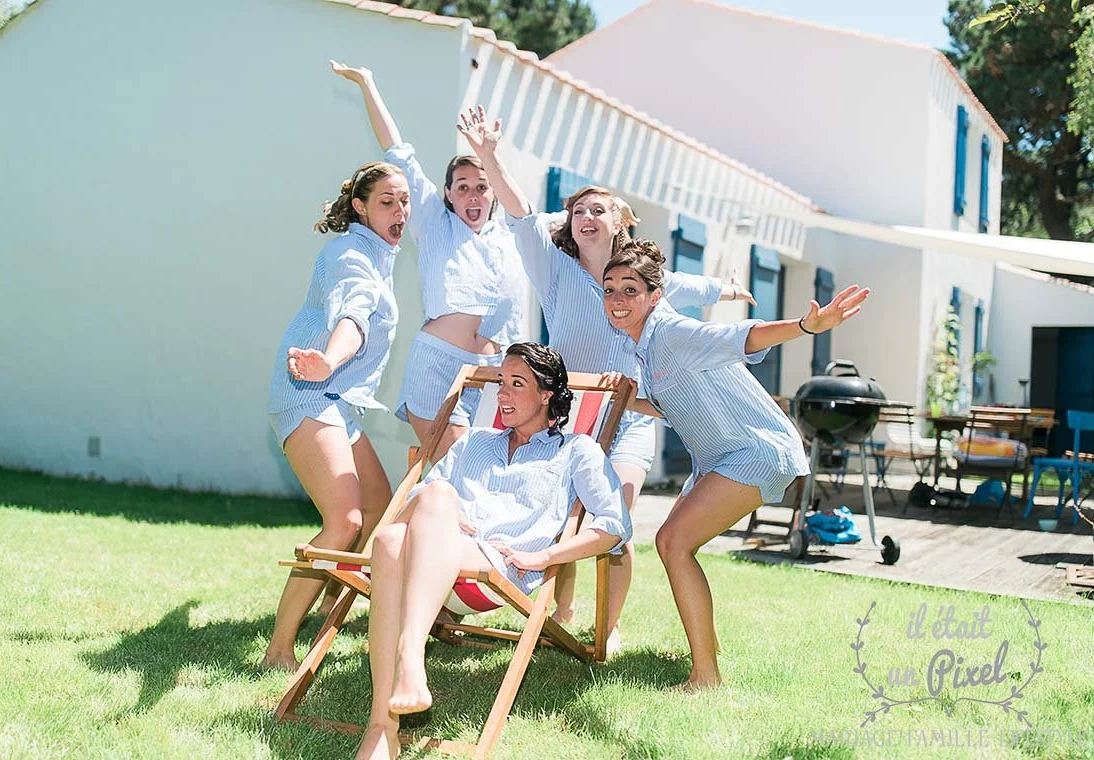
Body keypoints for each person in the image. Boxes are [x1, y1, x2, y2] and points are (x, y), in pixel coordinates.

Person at [457, 106, 755, 652]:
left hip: (632, 418)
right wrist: (490, 157)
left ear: (620, 222)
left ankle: (606, 627)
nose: (586, 217)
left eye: (598, 209)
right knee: (559, 512)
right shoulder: (553, 269)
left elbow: (687, 286)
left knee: (613, 520)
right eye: (577, 211)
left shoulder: (637, 279)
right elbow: (523, 215)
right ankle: (558, 610)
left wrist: (730, 291)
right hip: (571, 416)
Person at [601, 239, 869, 690]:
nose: (618, 299)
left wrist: (807, 325)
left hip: (755, 450)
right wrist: (631, 398)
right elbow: (676, 407)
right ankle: (708, 652)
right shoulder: (647, 347)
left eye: (630, 289)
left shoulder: (670, 332)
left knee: (673, 543)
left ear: (654, 295)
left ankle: (705, 676)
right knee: (675, 544)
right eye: (609, 289)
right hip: (723, 457)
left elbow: (742, 336)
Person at [354, 342, 631, 760]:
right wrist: (442, 513)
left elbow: (615, 525)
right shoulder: (474, 443)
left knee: (426, 509)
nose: (502, 394)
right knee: (398, 532)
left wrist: (545, 558)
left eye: (517, 384)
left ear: (547, 394)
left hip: (497, 571)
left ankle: (409, 658)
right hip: (435, 558)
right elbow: (419, 501)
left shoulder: (576, 451)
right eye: (501, 383)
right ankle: (382, 727)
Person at [331, 61, 529, 461]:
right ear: (448, 194)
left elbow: (526, 210)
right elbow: (395, 149)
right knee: (459, 467)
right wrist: (368, 82)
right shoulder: (435, 223)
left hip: (495, 372)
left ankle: (409, 514)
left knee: (485, 475)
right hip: (438, 367)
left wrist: (488, 155)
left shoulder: (512, 233)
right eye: (463, 188)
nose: (473, 196)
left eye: (482, 187)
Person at [260, 160, 408, 671]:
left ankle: (331, 607)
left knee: (380, 507)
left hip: (338, 399)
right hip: (309, 390)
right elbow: (354, 311)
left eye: (404, 200)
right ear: (360, 207)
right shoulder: (350, 253)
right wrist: (330, 358)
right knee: (344, 521)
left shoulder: (379, 254)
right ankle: (278, 649)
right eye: (387, 201)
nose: (400, 210)